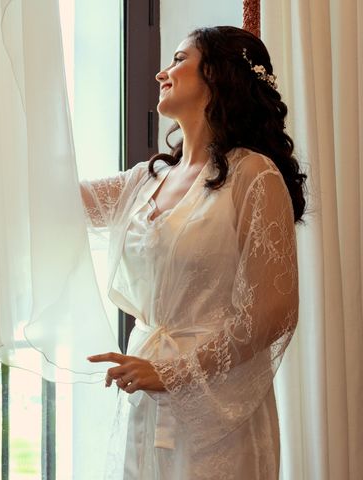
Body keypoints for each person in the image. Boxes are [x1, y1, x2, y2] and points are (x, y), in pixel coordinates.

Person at [82, 26, 306, 479]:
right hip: (147, 395)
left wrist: (172, 373)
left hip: (220, 410)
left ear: (218, 76)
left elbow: (273, 312)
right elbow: (58, 202)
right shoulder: (144, 180)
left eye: (179, 59)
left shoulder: (254, 175)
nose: (162, 72)